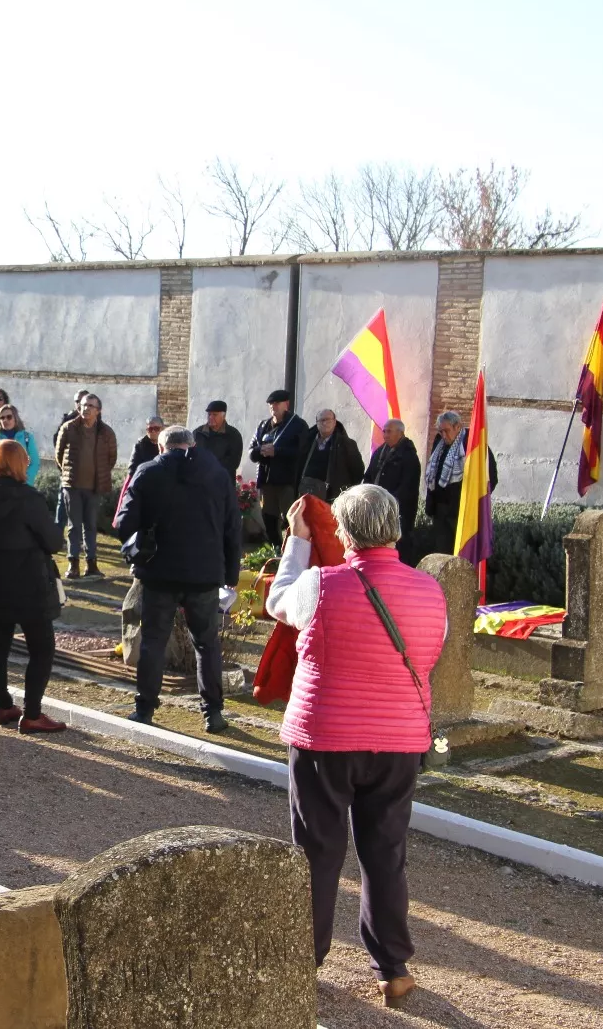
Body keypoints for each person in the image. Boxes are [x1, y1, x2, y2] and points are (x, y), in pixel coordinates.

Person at [265, 485, 446, 1004]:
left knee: (318, 852)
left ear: (345, 533)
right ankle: (393, 967)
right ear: (395, 530)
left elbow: (278, 601)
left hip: (325, 737)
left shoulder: (320, 584)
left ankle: (306, 961)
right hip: (398, 739)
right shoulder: (431, 592)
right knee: (385, 853)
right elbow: (432, 649)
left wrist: (297, 544)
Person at [113, 425, 241, 733]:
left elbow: (122, 523)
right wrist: (231, 575)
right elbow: (232, 527)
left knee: (154, 642)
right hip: (205, 573)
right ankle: (213, 713)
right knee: (206, 644)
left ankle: (144, 709)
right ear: (192, 445)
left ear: (161, 448)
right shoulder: (218, 473)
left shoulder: (147, 472)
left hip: (159, 572)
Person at [0, 439, 67, 733]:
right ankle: (33, 714)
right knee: (42, 648)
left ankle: (3, 704)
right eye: (24, 458)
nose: (27, 462)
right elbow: (53, 541)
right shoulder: (29, 498)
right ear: (16, 463)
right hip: (28, 581)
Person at [54, 393, 117, 580]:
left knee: (90, 525)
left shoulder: (106, 433)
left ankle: (92, 564)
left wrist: (99, 473)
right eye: (83, 405)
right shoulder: (68, 428)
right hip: (72, 485)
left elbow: (111, 458)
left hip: (94, 487)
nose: (85, 409)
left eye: (90, 406)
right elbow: (59, 456)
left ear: (98, 410)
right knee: (73, 525)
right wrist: (69, 473)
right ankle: (73, 564)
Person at [424, 409, 497, 545]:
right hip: (440, 511)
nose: (444, 435)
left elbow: (490, 476)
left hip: (462, 511)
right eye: (441, 431)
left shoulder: (473, 444)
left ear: (457, 426)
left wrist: (472, 501)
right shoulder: (439, 443)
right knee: (441, 552)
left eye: (447, 430)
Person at [249, 389, 309, 548]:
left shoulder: (298, 425)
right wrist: (260, 451)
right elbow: (251, 452)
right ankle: (276, 548)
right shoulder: (263, 425)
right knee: (268, 517)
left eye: (277, 403)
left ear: (286, 404)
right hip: (267, 481)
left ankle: (292, 549)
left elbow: (303, 452)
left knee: (290, 517)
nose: (273, 406)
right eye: (271, 404)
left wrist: (277, 452)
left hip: (287, 481)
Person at [364, 418, 421, 563]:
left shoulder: (409, 456)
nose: (385, 434)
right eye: (384, 431)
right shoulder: (379, 452)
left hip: (398, 513)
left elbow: (407, 488)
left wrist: (388, 505)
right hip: (376, 509)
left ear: (400, 433)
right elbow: (369, 476)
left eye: (389, 431)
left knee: (399, 549)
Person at [297, 408, 365, 503]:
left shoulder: (346, 444)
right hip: (307, 493)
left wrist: (344, 490)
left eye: (328, 420)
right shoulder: (307, 441)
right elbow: (298, 465)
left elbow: (357, 471)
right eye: (322, 420)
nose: (325, 423)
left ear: (334, 422)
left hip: (333, 498)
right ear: (317, 423)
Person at [0, 403, 41, 485]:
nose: (5, 420)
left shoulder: (27, 437)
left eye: (9, 417)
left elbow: (34, 462)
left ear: (15, 418)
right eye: (2, 418)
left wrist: (26, 481)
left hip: (21, 484)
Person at [194, 399, 244, 480]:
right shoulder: (198, 433)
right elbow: (191, 455)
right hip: (200, 483)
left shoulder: (233, 435)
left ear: (223, 416)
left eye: (214, 415)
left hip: (222, 483)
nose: (210, 417)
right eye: (209, 414)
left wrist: (211, 467)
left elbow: (233, 462)